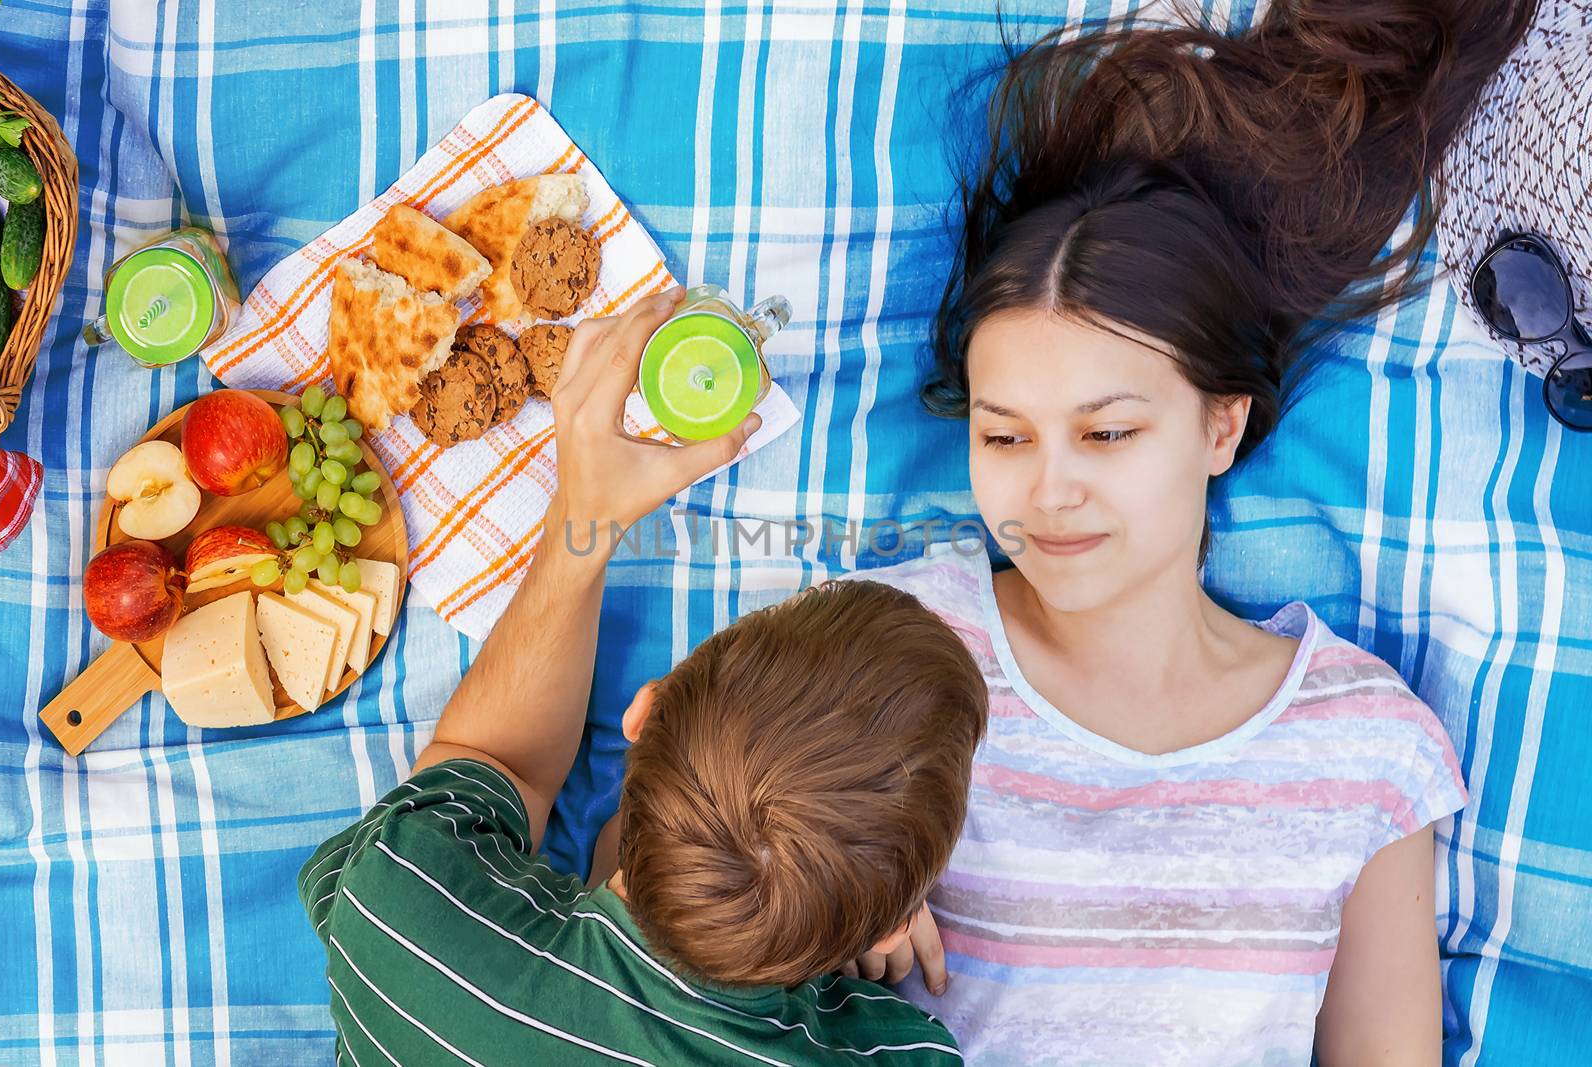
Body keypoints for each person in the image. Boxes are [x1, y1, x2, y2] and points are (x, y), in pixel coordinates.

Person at [845, 1, 1538, 1063]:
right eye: (1004, 436)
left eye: (1108, 432)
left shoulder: (1365, 744)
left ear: (1221, 425)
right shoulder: (893, 637)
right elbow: (650, 842)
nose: (1046, 492)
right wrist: (814, 864)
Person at [298, 288, 990, 1065]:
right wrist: (838, 911)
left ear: (644, 711)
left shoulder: (398, 904)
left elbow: (493, 763)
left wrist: (583, 516)